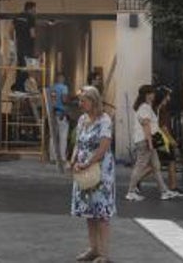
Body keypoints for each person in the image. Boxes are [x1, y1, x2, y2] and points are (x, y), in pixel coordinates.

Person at [71, 85, 115, 263]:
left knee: (102, 213)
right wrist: (73, 160)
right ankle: (93, 249)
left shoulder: (105, 120)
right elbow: (77, 143)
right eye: (80, 101)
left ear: (94, 101)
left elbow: (104, 147)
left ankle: (103, 254)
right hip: (83, 169)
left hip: (100, 170)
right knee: (89, 212)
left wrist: (88, 163)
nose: (80, 104)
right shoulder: (82, 119)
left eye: (84, 101)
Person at [126, 85, 176, 202]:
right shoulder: (144, 107)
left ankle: (164, 191)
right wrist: (150, 142)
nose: (154, 95)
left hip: (149, 139)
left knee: (156, 166)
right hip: (145, 140)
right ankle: (131, 192)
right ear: (147, 94)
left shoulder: (146, 107)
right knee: (140, 166)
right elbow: (146, 126)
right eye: (152, 93)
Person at [153, 87, 183, 198]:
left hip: (161, 138)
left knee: (169, 161)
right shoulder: (160, 109)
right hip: (160, 138)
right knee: (158, 163)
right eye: (167, 95)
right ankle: (136, 181)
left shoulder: (162, 108)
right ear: (163, 96)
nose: (169, 98)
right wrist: (171, 140)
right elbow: (162, 127)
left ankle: (173, 186)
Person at [12, 2, 37, 92]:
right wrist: (34, 45)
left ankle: (18, 85)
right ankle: (22, 87)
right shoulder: (31, 18)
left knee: (20, 65)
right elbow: (32, 33)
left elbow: (11, 31)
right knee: (26, 66)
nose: (35, 11)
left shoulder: (16, 17)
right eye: (34, 9)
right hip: (27, 46)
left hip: (19, 46)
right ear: (31, 9)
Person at [50, 73, 72, 164]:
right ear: (62, 79)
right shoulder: (64, 87)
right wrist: (69, 100)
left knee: (53, 137)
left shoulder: (51, 88)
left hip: (53, 114)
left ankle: (53, 157)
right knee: (63, 136)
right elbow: (64, 100)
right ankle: (62, 158)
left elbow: (52, 102)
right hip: (62, 114)